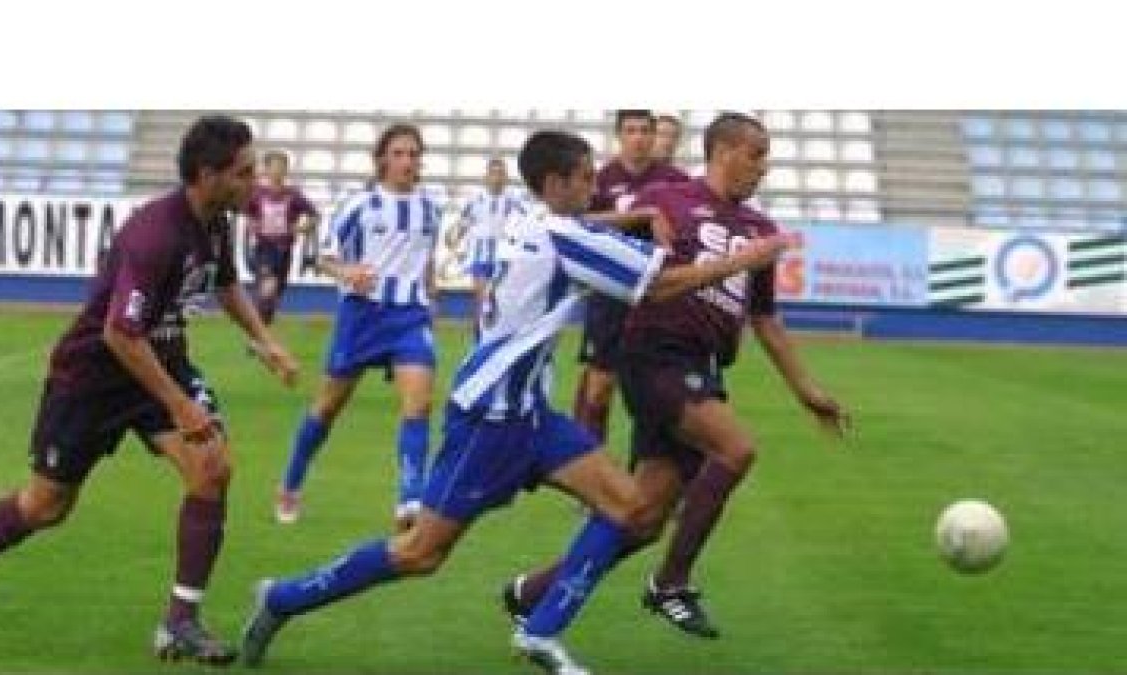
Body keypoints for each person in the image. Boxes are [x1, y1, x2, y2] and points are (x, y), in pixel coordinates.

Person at [238, 130, 794, 675]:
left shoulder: (527, 219)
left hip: (531, 415)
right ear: (556, 182)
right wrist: (745, 259)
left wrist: (632, 218)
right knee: (419, 554)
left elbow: (584, 226)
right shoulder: (566, 238)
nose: (594, 182)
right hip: (489, 420)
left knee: (631, 509)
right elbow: (660, 284)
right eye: (584, 175)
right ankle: (282, 598)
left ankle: (540, 630)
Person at [0, 115, 299, 664]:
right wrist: (180, 405)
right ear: (207, 174)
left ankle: (180, 623)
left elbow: (223, 283)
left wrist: (265, 341)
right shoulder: (155, 235)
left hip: (159, 366)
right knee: (46, 506)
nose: (255, 183)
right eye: (243, 174)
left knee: (212, 466)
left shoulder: (215, 221)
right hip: (93, 378)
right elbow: (120, 335)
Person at [502, 113, 851, 641]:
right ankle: (671, 584)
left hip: (704, 367)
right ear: (725, 151)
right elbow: (576, 228)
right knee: (735, 449)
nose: (764, 166)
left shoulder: (761, 231)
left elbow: (764, 318)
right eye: (757, 154)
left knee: (641, 518)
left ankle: (531, 592)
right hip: (653, 355)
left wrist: (808, 392)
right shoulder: (667, 197)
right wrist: (638, 215)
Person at [275, 124, 442, 529]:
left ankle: (410, 499)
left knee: (419, 404)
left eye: (414, 154)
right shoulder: (359, 206)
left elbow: (426, 260)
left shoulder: (430, 209)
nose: (407, 161)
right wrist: (347, 270)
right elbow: (325, 258)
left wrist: (430, 295)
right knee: (328, 407)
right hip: (362, 317)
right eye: (399, 153)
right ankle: (291, 483)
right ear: (383, 159)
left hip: (410, 318)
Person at [574, 110, 688, 445]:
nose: (638, 138)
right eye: (631, 131)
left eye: (644, 131)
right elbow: (580, 222)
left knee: (656, 392)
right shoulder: (600, 178)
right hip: (610, 293)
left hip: (657, 295)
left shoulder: (675, 180)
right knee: (598, 392)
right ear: (619, 136)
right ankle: (590, 480)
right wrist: (633, 217)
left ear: (654, 137)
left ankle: (649, 473)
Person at [447, 157, 527, 330]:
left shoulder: (515, 203)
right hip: (480, 258)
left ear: (506, 178)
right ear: (486, 177)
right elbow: (460, 229)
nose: (497, 177)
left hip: (505, 261)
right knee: (482, 300)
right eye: (493, 173)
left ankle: (494, 338)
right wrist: (455, 249)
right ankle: (478, 341)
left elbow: (524, 231)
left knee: (499, 303)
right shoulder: (474, 201)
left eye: (501, 174)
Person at [243, 150, 320, 325]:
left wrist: (301, 228)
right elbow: (247, 212)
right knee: (267, 288)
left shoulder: (293, 194)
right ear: (266, 169)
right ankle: (256, 333)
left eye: (282, 167)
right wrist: (252, 223)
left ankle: (259, 333)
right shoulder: (257, 193)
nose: (277, 171)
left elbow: (314, 216)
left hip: (285, 251)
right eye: (274, 166)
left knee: (274, 296)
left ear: (286, 170)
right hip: (264, 248)